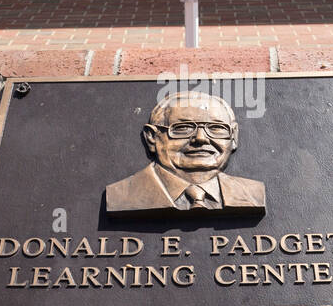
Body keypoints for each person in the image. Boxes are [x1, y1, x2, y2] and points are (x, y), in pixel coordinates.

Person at [105, 91, 265, 215]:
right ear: (152, 137)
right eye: (183, 128)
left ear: (234, 137)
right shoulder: (122, 196)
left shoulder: (252, 195)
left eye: (216, 128)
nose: (201, 139)